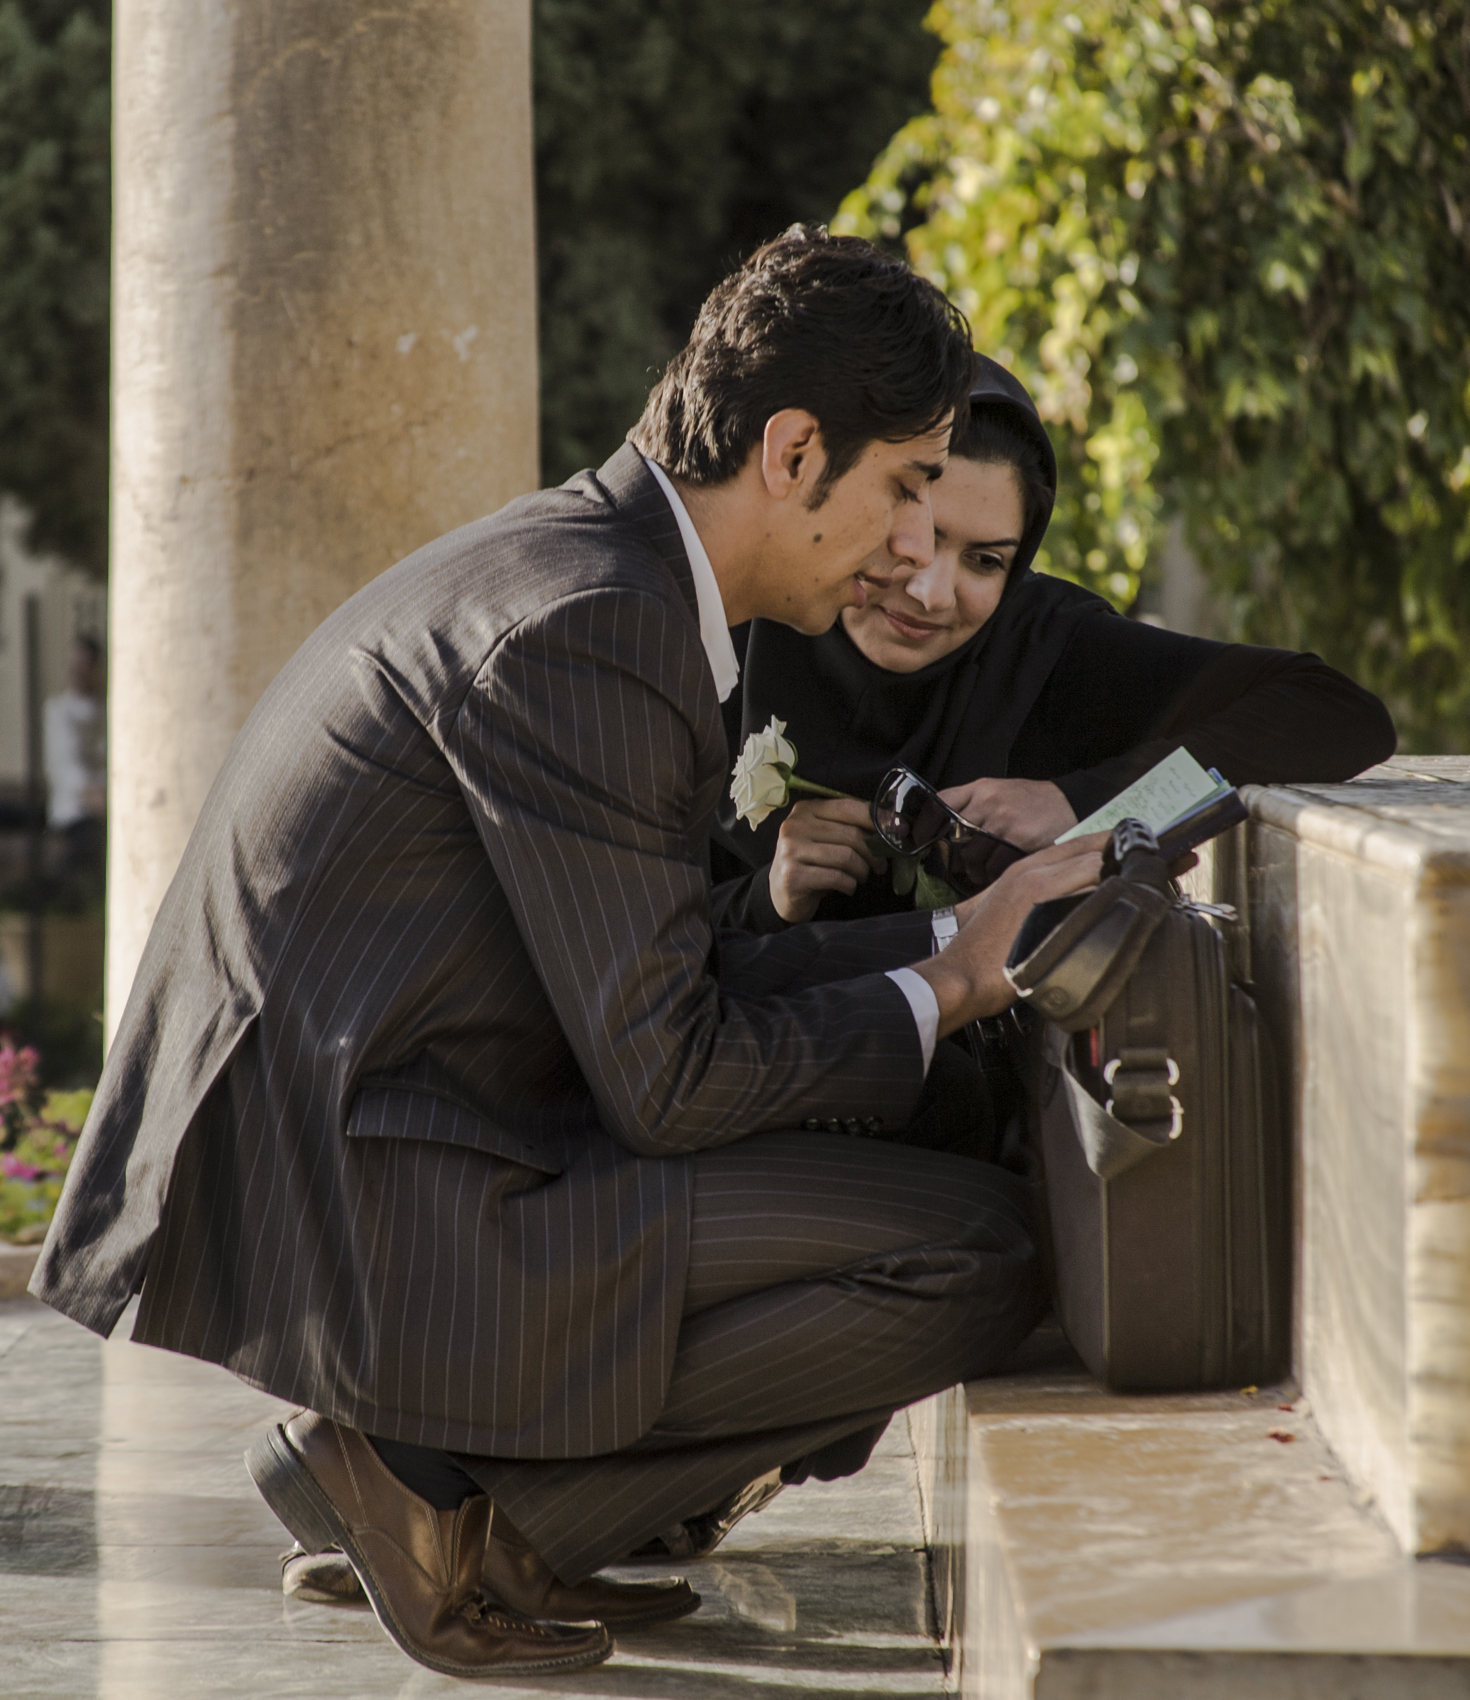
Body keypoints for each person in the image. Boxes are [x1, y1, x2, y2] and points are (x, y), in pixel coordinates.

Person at [31, 230, 1108, 1681]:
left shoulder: (596, 570)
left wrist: (950, 937)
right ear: (793, 453)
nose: (913, 545)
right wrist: (953, 984)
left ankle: (410, 1466)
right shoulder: (596, 629)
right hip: (381, 1211)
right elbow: (667, 1076)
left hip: (399, 1141)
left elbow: (674, 973)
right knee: (981, 1248)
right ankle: (448, 1496)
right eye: (905, 487)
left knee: (954, 1125)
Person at [709, 355, 1395, 935]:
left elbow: (1336, 711)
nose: (932, 593)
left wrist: (1088, 799)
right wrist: (766, 897)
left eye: (985, 561)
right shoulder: (743, 632)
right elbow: (627, 954)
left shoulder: (1046, 646)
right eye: (913, 537)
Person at [43, 635, 107, 887]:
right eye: (75, 666)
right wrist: (94, 796)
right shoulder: (59, 710)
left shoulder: (105, 709)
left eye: (86, 666)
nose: (80, 672)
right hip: (75, 810)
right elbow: (67, 766)